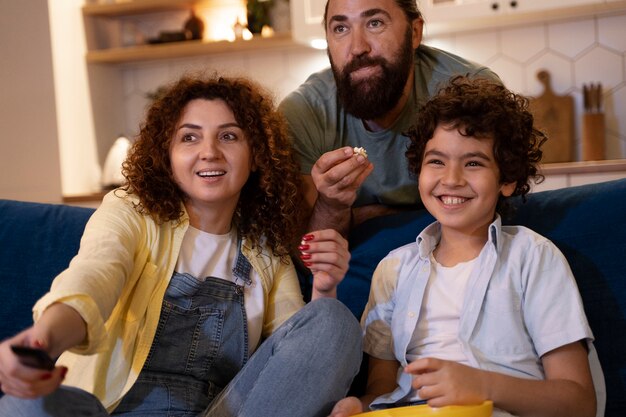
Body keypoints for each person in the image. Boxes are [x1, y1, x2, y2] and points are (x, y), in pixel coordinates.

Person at [0, 74, 362, 417]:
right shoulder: (131, 212)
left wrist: (324, 287)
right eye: (189, 138)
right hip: (108, 410)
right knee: (22, 407)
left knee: (334, 320)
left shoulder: (265, 250)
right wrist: (43, 342)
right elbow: (94, 277)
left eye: (229, 137)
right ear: (167, 156)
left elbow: (299, 352)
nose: (209, 152)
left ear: (256, 157)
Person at [328, 76, 603, 417]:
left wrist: (481, 386)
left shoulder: (532, 257)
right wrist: (359, 406)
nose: (452, 178)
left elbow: (579, 403)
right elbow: (384, 392)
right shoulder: (393, 270)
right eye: (436, 161)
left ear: (507, 180)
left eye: (473, 163)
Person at [278, 0, 501, 238]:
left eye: (375, 23)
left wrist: (364, 218)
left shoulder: (472, 92)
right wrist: (332, 205)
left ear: (415, 32)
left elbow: (487, 214)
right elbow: (306, 256)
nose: (357, 48)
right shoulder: (302, 112)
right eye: (341, 29)